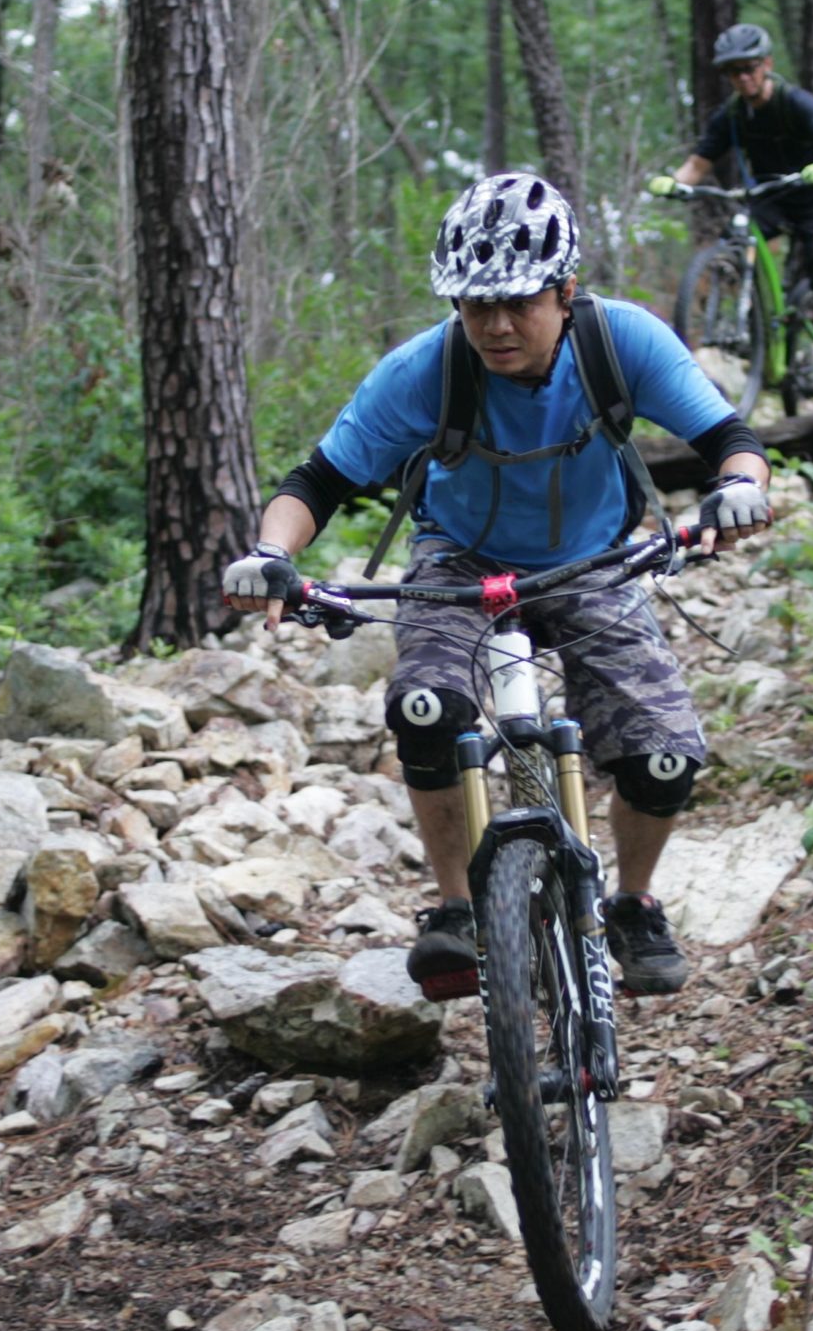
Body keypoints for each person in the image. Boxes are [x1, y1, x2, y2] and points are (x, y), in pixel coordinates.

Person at [221, 173, 772, 998]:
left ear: (566, 290)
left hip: (594, 560)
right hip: (461, 562)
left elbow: (730, 436)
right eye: (476, 305)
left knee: (661, 759)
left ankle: (631, 901)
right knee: (427, 710)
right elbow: (317, 482)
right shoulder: (427, 369)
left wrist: (737, 489)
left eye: (518, 302)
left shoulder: (624, 344)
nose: (496, 325)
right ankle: (454, 908)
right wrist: (270, 553)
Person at [648, 22, 813, 394]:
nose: (742, 78)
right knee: (732, 246)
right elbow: (698, 163)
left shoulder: (794, 102)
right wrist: (675, 183)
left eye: (749, 67)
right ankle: (745, 327)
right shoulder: (732, 115)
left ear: (766, 64)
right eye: (732, 71)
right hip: (770, 197)